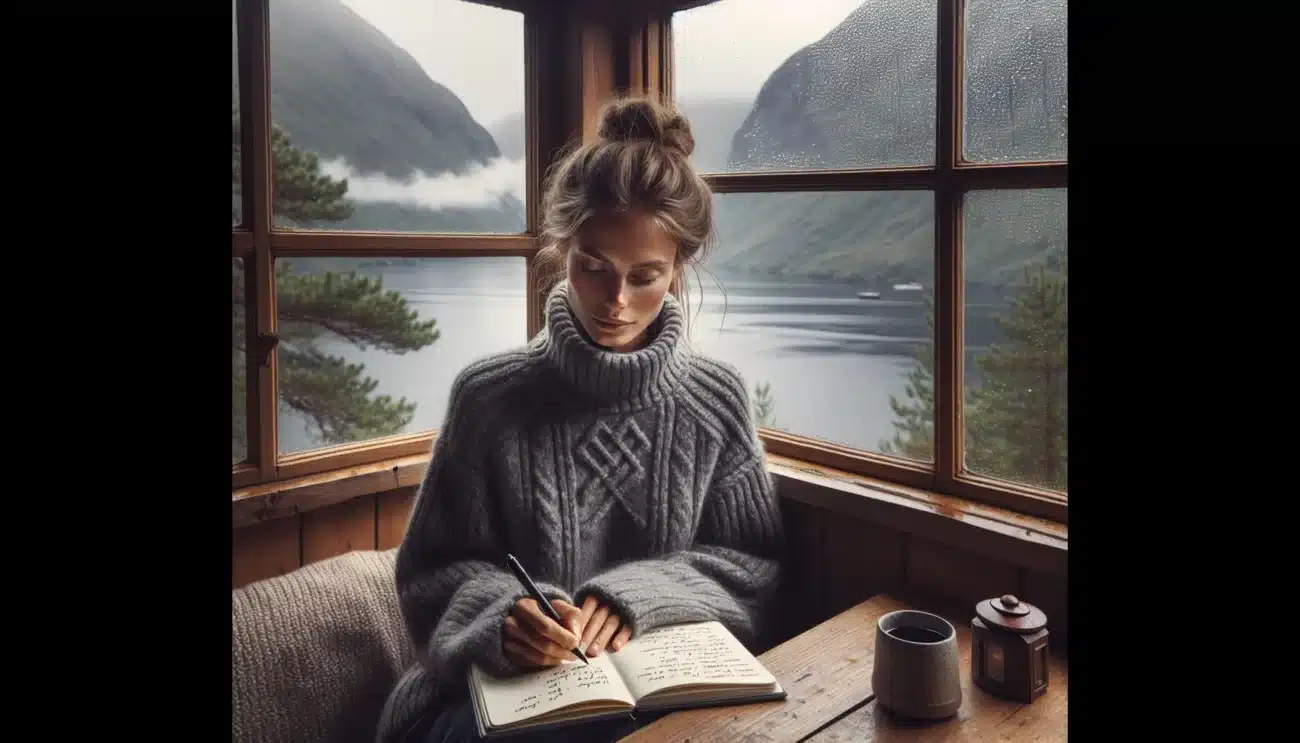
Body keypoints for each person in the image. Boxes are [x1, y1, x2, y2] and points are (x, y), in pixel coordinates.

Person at [375, 96, 785, 743]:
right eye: (593, 267)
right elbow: (430, 574)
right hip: (483, 701)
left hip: (657, 697)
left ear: (679, 269)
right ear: (562, 248)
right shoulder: (487, 398)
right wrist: (505, 618)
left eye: (645, 275)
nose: (616, 301)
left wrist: (639, 596)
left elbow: (752, 564)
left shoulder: (718, 400)